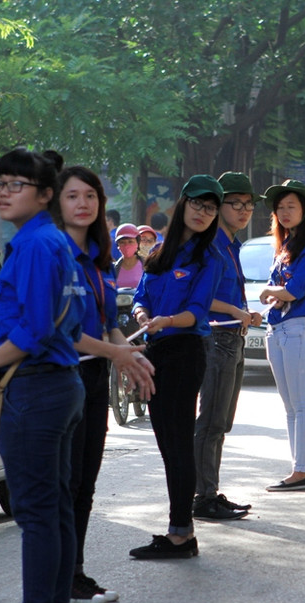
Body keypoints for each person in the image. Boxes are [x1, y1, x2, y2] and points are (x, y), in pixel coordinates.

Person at [0, 149, 92, 603]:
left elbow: (36, 329)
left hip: (38, 388)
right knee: (55, 509)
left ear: (44, 195)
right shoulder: (51, 241)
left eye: (16, 184)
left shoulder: (36, 245)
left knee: (38, 513)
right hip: (59, 387)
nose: (3, 191)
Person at [52, 166, 154, 603]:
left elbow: (110, 323)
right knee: (66, 482)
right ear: (57, 202)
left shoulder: (99, 261)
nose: (83, 203)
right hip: (60, 379)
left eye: (90, 196)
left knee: (87, 482)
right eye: (72, 195)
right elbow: (60, 331)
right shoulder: (52, 255)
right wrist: (118, 354)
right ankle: (56, 580)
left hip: (94, 379)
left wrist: (127, 356)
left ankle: (74, 572)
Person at [128, 175, 224, 559]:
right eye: (198, 204)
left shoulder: (210, 258)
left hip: (185, 352)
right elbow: (141, 295)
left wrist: (166, 320)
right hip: (155, 352)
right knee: (167, 445)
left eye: (211, 208)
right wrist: (141, 313)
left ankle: (181, 535)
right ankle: (180, 530)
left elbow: (198, 311)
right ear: (182, 204)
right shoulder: (161, 251)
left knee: (180, 444)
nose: (203, 213)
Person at [193, 172, 261, 520]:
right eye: (236, 203)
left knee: (223, 422)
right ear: (219, 207)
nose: (244, 210)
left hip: (234, 336)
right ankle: (202, 497)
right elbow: (199, 298)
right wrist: (235, 311)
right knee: (211, 422)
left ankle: (210, 491)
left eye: (249, 205)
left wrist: (244, 313)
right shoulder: (211, 244)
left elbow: (226, 295)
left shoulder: (231, 244)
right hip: (217, 337)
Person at [259, 180, 305, 491]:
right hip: (278, 329)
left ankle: (302, 472)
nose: (284, 212)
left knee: (302, 404)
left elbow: (292, 291)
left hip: (299, 329)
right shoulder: (286, 247)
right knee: (291, 406)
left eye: (292, 206)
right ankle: (297, 468)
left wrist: (267, 292)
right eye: (280, 207)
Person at [114, 223, 144, 289]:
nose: (126, 246)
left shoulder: (146, 266)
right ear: (118, 245)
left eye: (130, 242)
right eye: (122, 242)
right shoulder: (113, 269)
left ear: (137, 243)